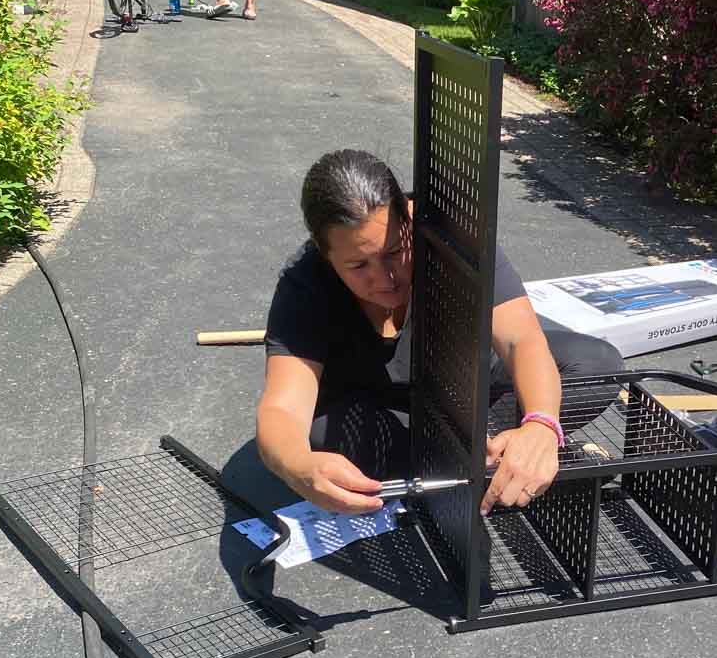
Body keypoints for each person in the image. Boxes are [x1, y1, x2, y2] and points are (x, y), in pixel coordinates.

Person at [257, 149, 619, 515]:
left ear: (408, 217)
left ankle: (497, 456)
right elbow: (283, 410)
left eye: (395, 251)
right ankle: (495, 461)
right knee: (327, 445)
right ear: (325, 253)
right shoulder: (305, 286)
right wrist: (298, 467)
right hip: (383, 415)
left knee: (596, 363)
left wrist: (541, 422)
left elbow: (520, 338)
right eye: (358, 265)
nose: (386, 278)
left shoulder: (453, 234)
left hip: (462, 387)